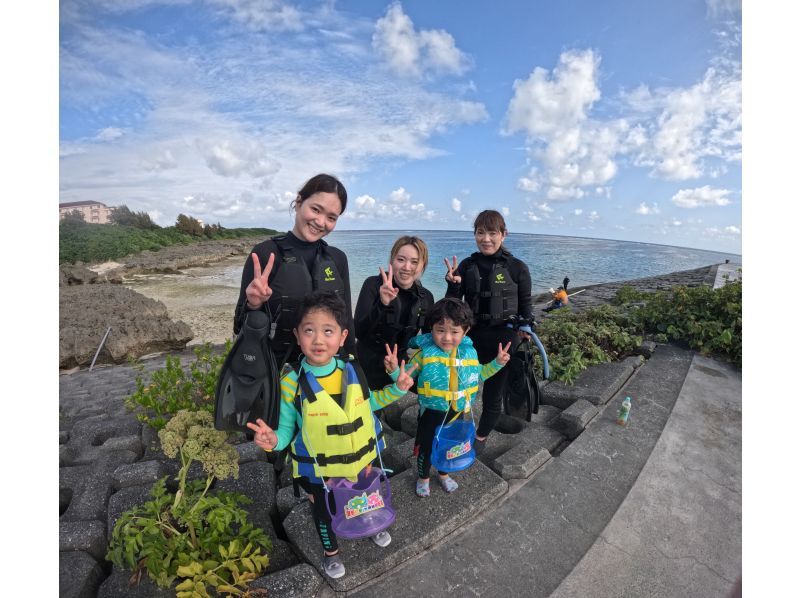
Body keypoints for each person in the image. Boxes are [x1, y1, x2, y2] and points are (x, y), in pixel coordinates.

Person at [247, 291, 417, 580]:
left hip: (361, 459)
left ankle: (371, 525)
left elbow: (369, 403)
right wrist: (273, 440)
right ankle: (331, 553)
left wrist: (399, 389)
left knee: (367, 495)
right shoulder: (291, 383)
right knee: (324, 512)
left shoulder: (352, 368)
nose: (318, 340)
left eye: (328, 331)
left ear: (342, 337)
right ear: (297, 336)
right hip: (319, 470)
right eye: (309, 331)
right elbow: (287, 430)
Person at [384, 298, 511, 497]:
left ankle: (443, 474)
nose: (447, 337)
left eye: (454, 331)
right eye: (440, 330)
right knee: (427, 448)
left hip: (458, 411)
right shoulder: (425, 353)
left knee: (451, 447)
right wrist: (393, 370)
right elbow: (405, 378)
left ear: (466, 330)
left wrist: (497, 363)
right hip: (432, 413)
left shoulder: (469, 353)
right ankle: (423, 477)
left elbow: (479, 374)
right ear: (431, 329)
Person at [233, 173, 355, 368]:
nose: (321, 222)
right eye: (316, 209)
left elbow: (346, 321)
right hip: (275, 371)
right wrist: (253, 304)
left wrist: (353, 368)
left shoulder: (337, 259)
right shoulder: (266, 254)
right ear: (299, 202)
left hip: (327, 373)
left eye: (331, 217)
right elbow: (240, 325)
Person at [444, 210, 534, 452]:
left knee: (492, 395)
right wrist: (452, 286)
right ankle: (452, 431)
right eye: (481, 232)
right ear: (474, 235)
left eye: (492, 233)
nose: (486, 238)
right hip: (469, 341)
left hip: (503, 341)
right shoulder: (466, 265)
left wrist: (525, 327)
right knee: (459, 391)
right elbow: (451, 308)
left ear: (503, 235)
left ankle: (480, 438)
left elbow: (526, 305)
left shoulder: (517, 268)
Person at [354, 235, 435, 390]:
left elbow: (431, 339)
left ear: (423, 265)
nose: (406, 267)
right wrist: (382, 303)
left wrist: (453, 288)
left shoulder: (426, 298)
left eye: (414, 262)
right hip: (366, 364)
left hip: (399, 367)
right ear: (392, 261)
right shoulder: (373, 284)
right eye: (401, 260)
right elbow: (358, 331)